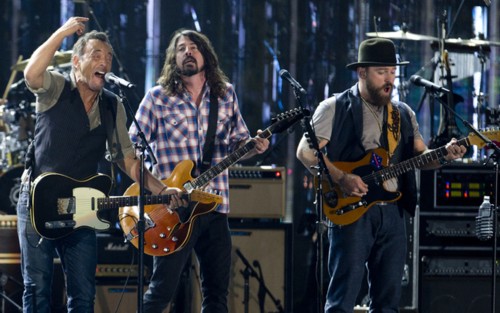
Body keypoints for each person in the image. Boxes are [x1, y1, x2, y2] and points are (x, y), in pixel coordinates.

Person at [17, 17, 184, 312]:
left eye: (107, 57)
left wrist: (165, 189)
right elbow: (31, 74)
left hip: (81, 207)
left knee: (83, 294)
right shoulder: (57, 85)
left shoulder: (112, 104)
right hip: (37, 200)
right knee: (38, 289)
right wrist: (63, 33)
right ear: (77, 62)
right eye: (96, 55)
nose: (104, 62)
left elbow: (128, 159)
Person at [296, 37, 466, 313]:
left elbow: (421, 158)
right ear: (361, 72)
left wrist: (444, 154)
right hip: (351, 209)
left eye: (393, 72)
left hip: (393, 213)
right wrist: (341, 177)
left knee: (388, 304)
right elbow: (305, 152)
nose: (389, 79)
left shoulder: (402, 113)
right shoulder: (334, 106)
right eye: (381, 72)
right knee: (342, 300)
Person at [128, 28, 269, 312]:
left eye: (193, 47)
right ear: (173, 59)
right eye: (180, 48)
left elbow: (238, 142)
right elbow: (131, 150)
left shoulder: (224, 95)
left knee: (217, 294)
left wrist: (254, 146)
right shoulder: (157, 98)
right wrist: (159, 188)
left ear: (206, 55)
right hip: (173, 210)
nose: (187, 52)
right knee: (161, 292)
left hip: (215, 207)